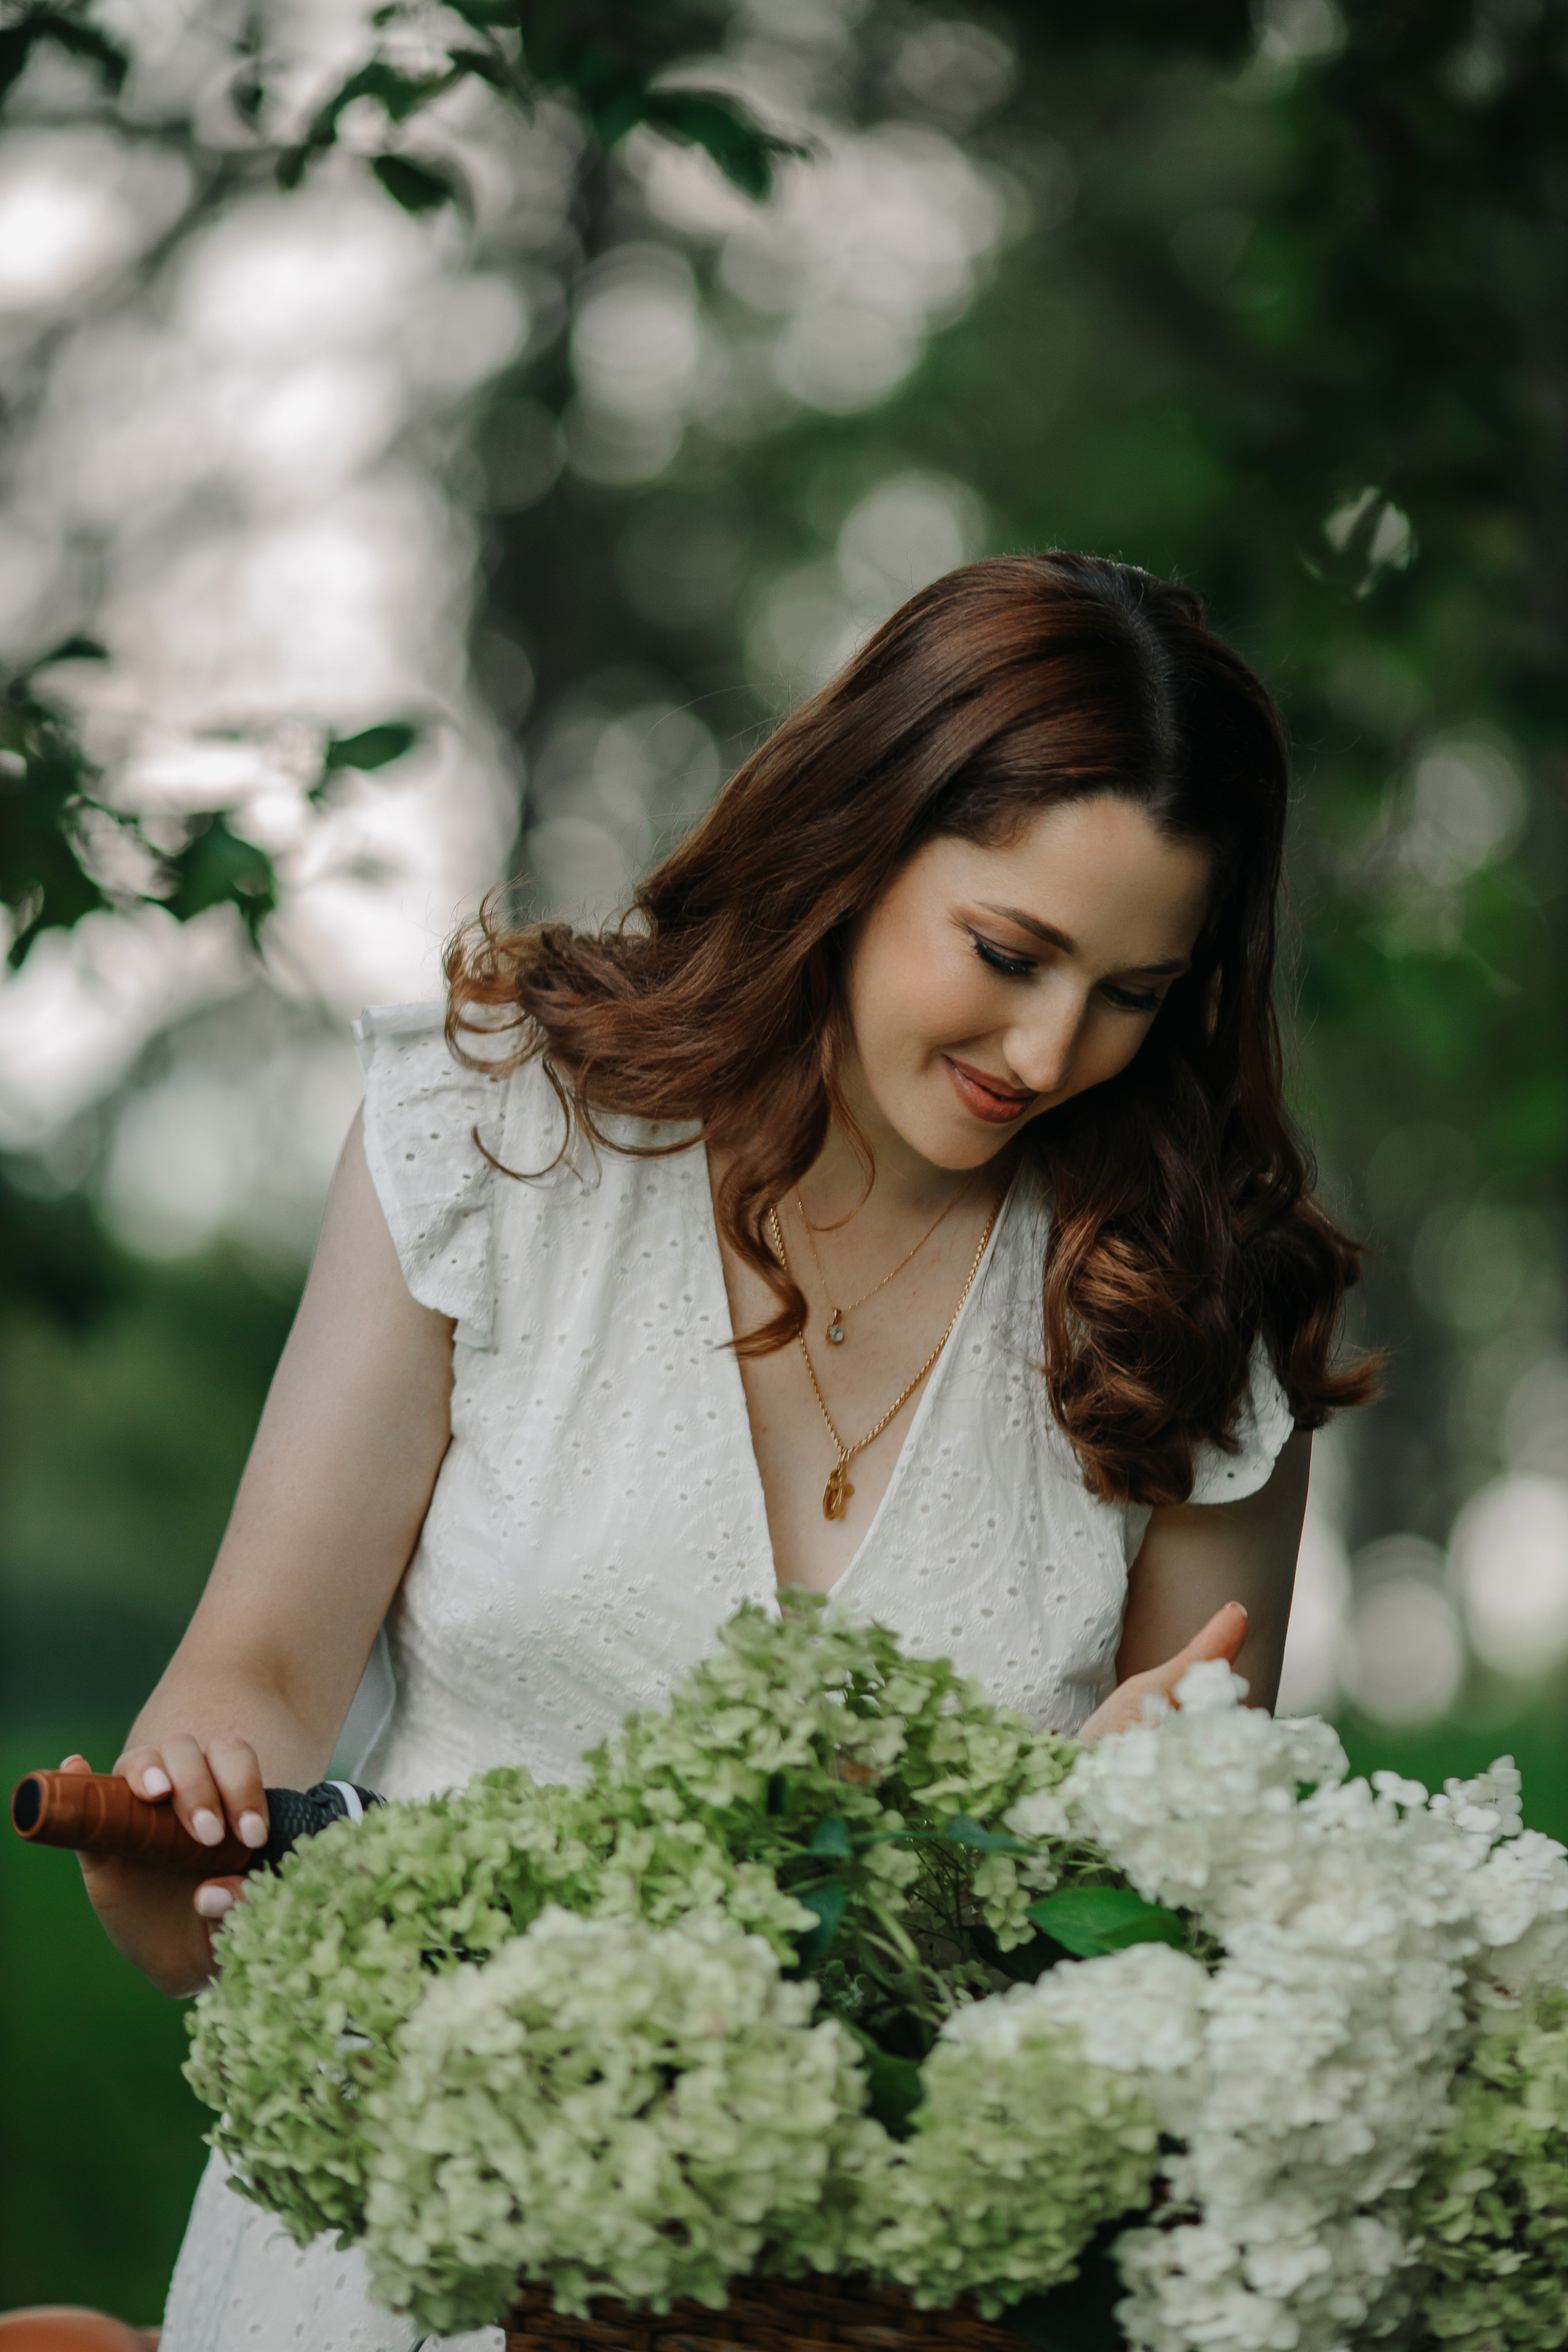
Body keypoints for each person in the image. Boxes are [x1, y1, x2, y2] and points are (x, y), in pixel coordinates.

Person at [73, 553, 1371, 2351]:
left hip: (868, 2312)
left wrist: (1162, 1836)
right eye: (1008, 954)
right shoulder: (495, 1131)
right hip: (402, 2265)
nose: (1051, 1049)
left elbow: (1167, 2008)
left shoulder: (1193, 1310)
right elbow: (259, 1685)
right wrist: (184, 1837)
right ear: (859, 837)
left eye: (1137, 993)